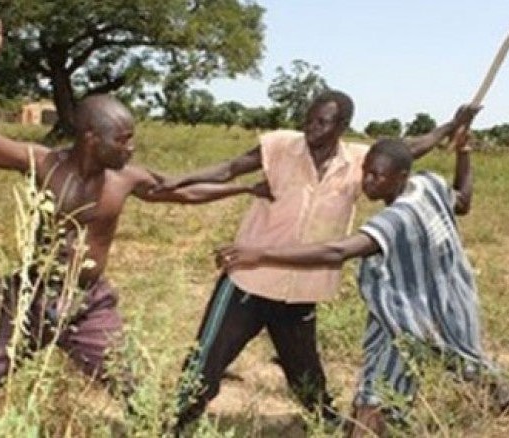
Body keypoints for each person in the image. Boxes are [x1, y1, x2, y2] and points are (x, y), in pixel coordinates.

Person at [0, 16, 267, 412]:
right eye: (123, 139)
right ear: (91, 138)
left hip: (88, 304)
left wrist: (245, 187)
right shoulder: (42, 163)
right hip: (28, 297)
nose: (131, 148)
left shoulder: (125, 179)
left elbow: (183, 192)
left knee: (137, 394)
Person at [162, 88, 480, 431]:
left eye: (322, 122)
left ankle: (325, 422)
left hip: (302, 290)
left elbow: (410, 148)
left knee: (306, 374)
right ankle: (169, 423)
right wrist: (178, 179)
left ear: (342, 125)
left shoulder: (359, 162)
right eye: (309, 119)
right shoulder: (281, 145)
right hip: (249, 283)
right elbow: (229, 169)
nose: (311, 128)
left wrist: (452, 125)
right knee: (205, 364)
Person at [217, 128, 509, 436]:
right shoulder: (429, 184)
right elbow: (463, 201)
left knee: (437, 365)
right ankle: (491, 394)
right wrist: (463, 153)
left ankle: (376, 424)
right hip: (451, 297)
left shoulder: (396, 218)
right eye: (366, 171)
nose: (368, 181)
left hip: (412, 310)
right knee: (436, 363)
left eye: (378, 176)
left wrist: (261, 254)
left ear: (401, 176)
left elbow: (337, 251)